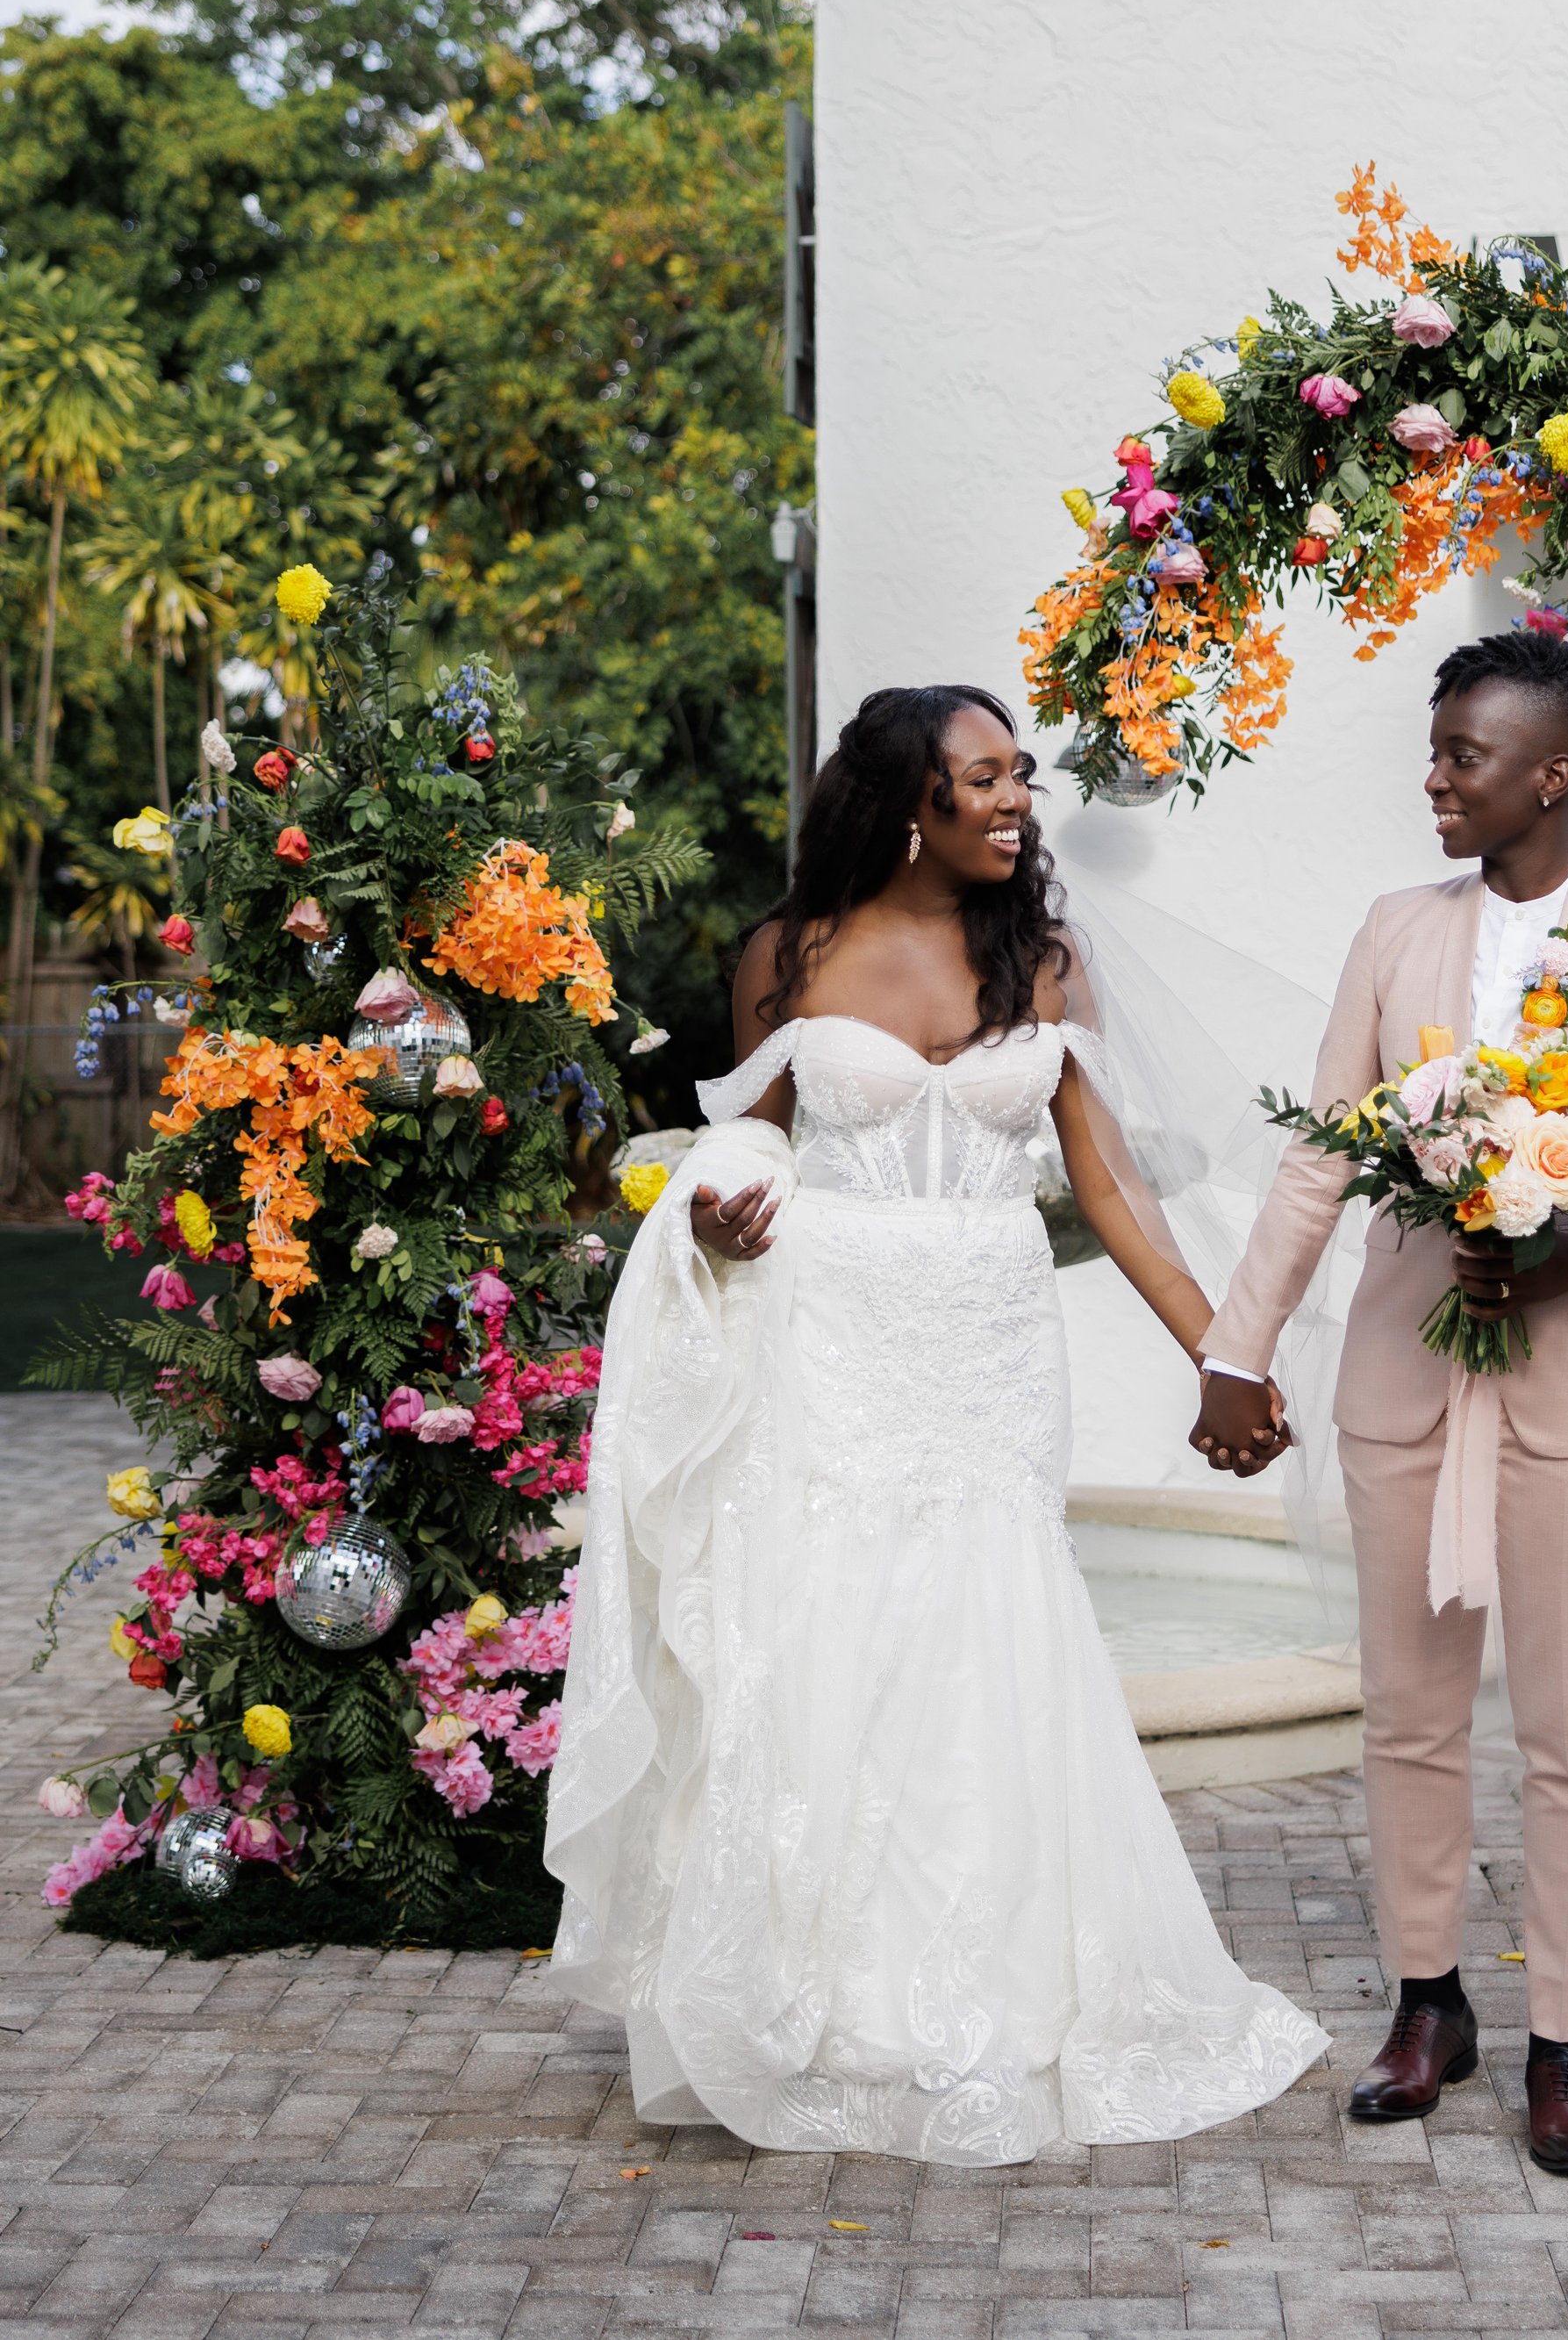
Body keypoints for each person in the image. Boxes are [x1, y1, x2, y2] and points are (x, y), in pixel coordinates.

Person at [545, 683, 1327, 2164]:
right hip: (827, 1334)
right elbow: (750, 1149)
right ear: (913, 799)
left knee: (991, 1624)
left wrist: (1226, 1353)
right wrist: (711, 1230)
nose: (1018, 797)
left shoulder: (1040, 960)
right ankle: (826, 2004)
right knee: (829, 1628)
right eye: (986, 776)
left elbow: (1112, 1191)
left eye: (1019, 773)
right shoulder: (791, 954)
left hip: (983, 1332)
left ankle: (1015, 1991)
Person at [1192, 631, 1568, 2171]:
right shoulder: (1392, 931)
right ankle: (1428, 2001)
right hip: (1406, 1382)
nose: (1434, 776)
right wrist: (1235, 1350)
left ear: (1554, 775)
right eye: (1436, 749)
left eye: (1464, 755)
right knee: (1412, 1714)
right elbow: (1322, 1151)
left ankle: (1565, 2044)